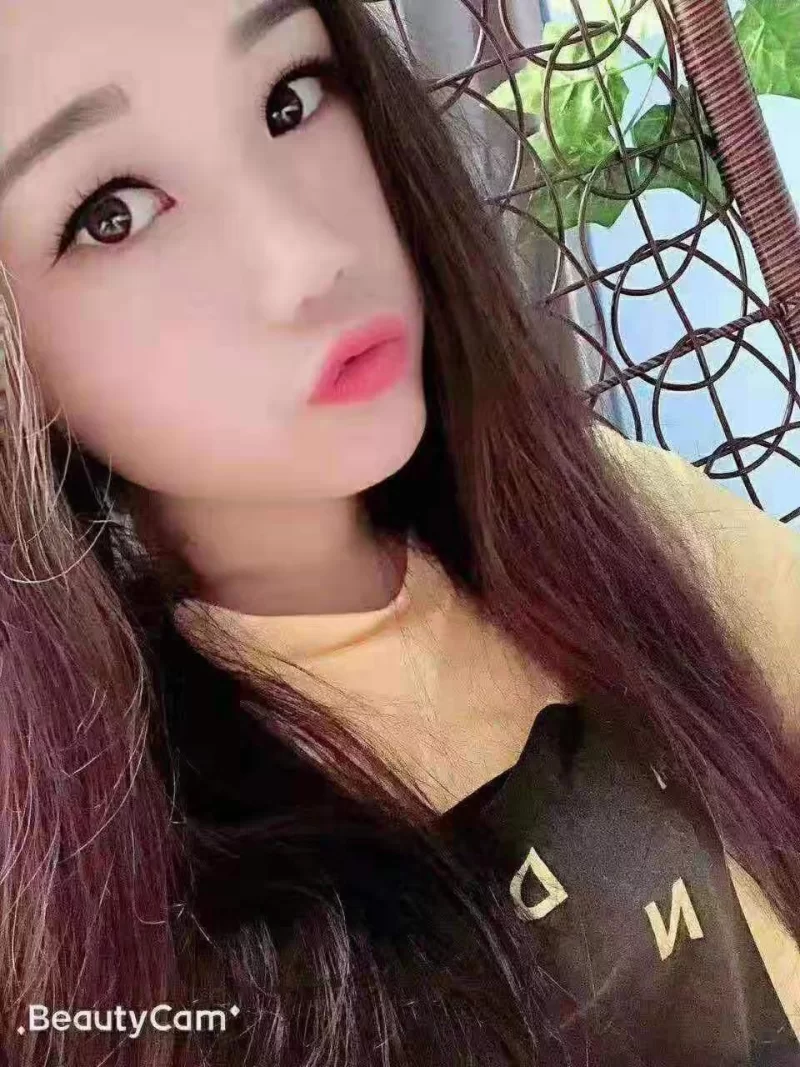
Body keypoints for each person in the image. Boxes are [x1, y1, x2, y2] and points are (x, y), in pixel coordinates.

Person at [0, 0, 797, 1063]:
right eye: (114, 213)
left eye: (290, 102)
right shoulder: (96, 891)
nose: (306, 254)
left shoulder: (616, 518)